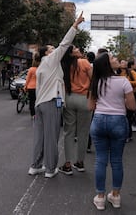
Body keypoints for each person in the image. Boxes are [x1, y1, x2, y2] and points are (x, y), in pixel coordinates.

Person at [28, 12, 84, 179]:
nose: (54, 50)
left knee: (40, 137)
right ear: (47, 53)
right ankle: (50, 169)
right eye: (51, 49)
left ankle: (35, 166)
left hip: (40, 104)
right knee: (52, 137)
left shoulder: (41, 67)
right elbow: (65, 43)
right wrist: (75, 25)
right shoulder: (51, 60)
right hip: (51, 103)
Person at [88, 52, 136, 210]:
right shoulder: (123, 82)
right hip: (118, 122)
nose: (116, 59)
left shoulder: (96, 82)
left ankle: (100, 197)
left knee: (100, 160)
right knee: (116, 160)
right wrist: (120, 100)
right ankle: (115, 196)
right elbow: (132, 107)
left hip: (99, 120)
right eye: (113, 58)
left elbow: (90, 107)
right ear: (107, 64)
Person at [58, 45, 92, 175]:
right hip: (84, 99)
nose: (78, 49)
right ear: (72, 53)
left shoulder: (64, 65)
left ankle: (67, 164)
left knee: (69, 132)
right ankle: (80, 162)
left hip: (69, 98)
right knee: (83, 132)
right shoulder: (84, 62)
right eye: (75, 48)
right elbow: (93, 79)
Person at [118, 59, 136, 139]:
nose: (124, 63)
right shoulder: (117, 73)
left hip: (130, 96)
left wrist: (126, 82)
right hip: (120, 97)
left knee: (128, 117)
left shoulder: (131, 72)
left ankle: (128, 135)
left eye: (125, 62)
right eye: (122, 62)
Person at [24, 52, 41, 120]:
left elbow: (27, 79)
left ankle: (33, 115)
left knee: (32, 101)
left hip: (31, 87)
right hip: (38, 88)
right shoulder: (41, 69)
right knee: (38, 101)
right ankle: (38, 114)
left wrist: (25, 86)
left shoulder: (31, 69)